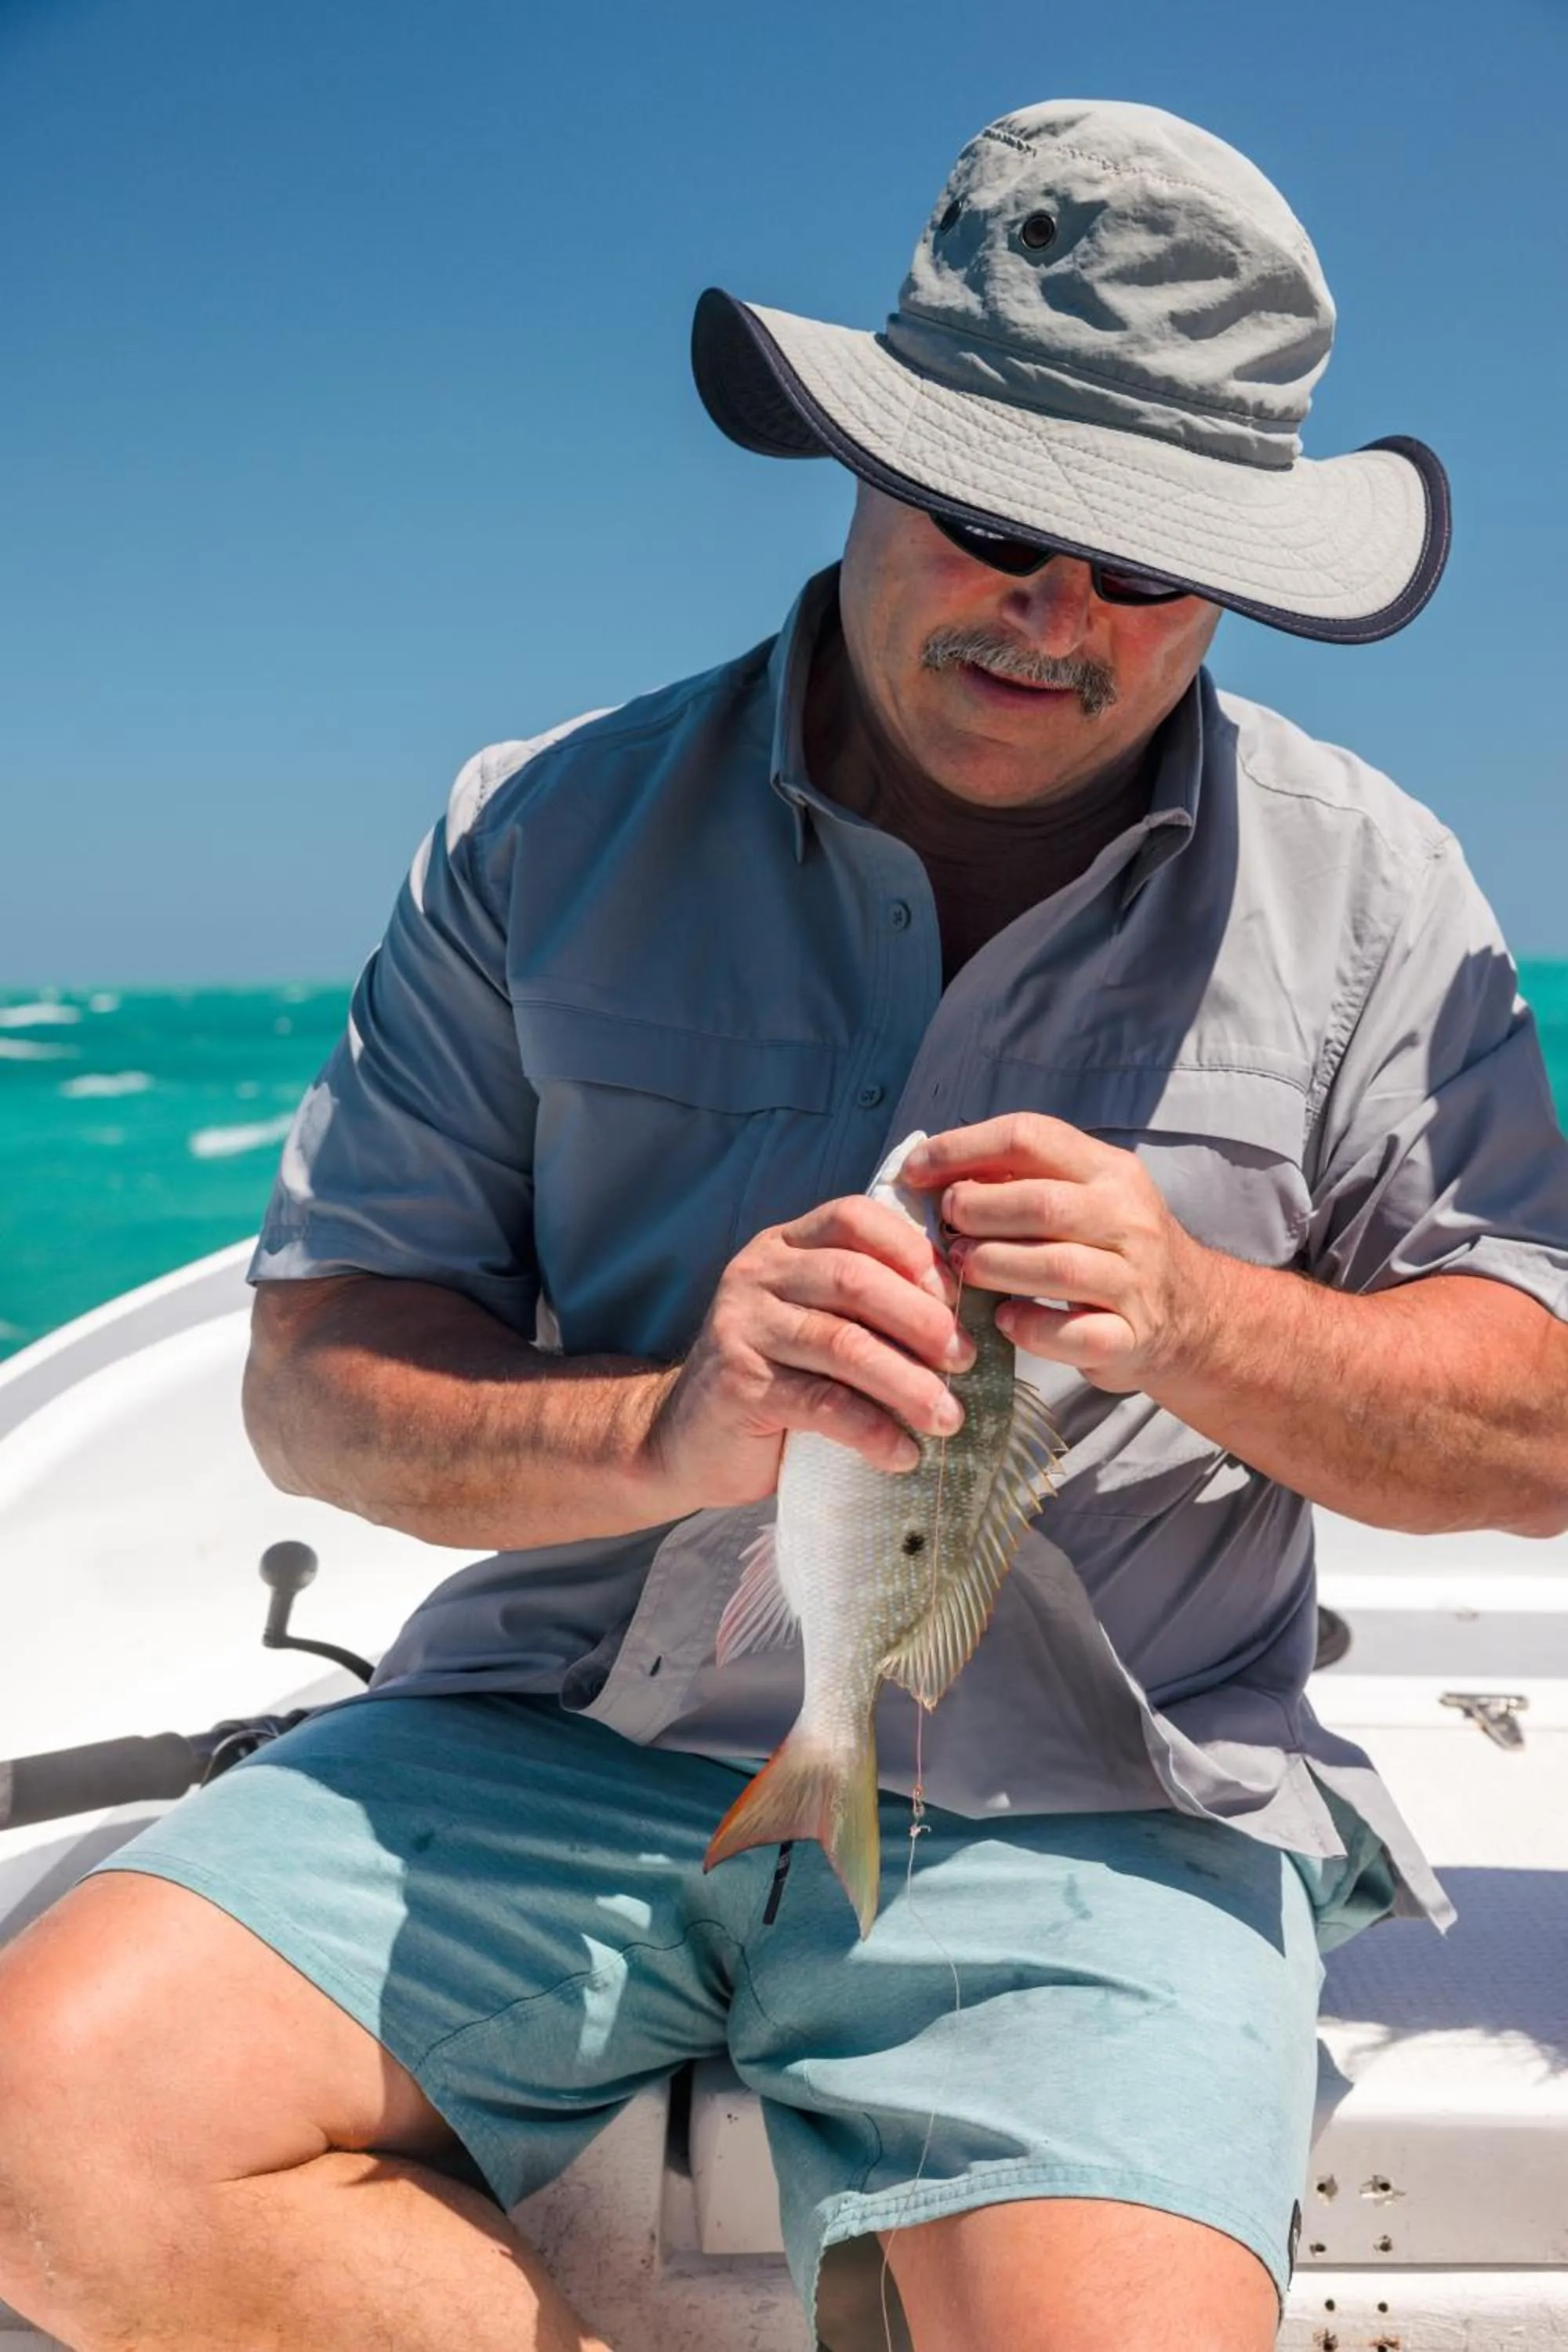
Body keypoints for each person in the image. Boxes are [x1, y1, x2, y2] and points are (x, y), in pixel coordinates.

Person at [2, 96, 1566, 2352]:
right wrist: (665, 1427)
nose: (1055, 612)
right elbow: (313, 1387)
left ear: (1230, 577)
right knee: (41, 2133)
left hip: (1104, 1816)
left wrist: (1202, 1318)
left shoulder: (1381, 897)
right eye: (995, 519)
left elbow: (1541, 1423)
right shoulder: (540, 833)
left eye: (1143, 565)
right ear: (868, 459)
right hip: (535, 1738)